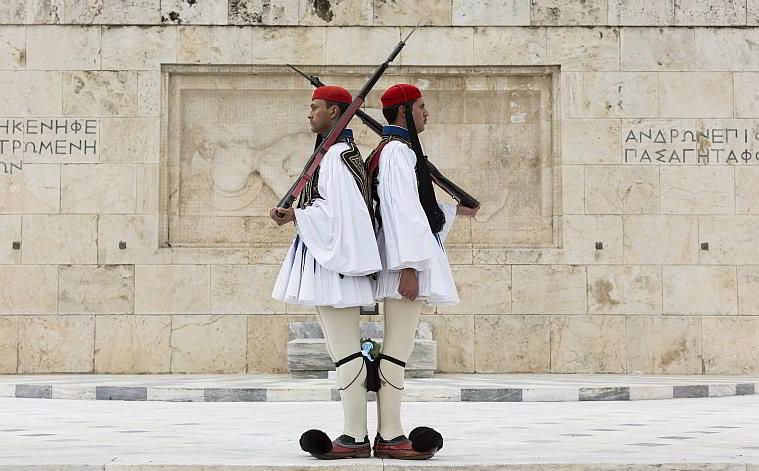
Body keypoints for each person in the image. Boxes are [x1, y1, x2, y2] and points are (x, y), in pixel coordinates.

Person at [365, 83, 480, 459]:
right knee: (397, 351)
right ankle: (391, 435)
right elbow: (402, 213)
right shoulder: (398, 153)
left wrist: (453, 211)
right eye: (421, 107)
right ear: (404, 112)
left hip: (402, 258)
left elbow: (416, 208)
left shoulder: (395, 151)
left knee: (399, 348)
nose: (426, 114)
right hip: (404, 264)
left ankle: (388, 431)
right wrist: (409, 268)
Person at [270, 85, 380, 459]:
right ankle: (354, 433)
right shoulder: (331, 154)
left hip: (335, 264)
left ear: (335, 112)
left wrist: (297, 214)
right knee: (341, 350)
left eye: (315, 107)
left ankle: (355, 437)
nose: (309, 113)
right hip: (325, 262)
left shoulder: (339, 157)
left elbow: (345, 217)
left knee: (347, 351)